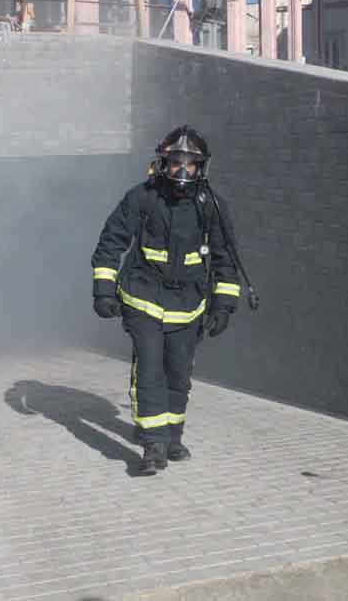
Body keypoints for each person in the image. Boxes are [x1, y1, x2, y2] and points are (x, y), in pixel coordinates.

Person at [91, 125, 241, 476]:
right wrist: (103, 289)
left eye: (191, 164)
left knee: (179, 373)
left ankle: (173, 436)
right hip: (142, 298)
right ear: (162, 163)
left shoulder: (211, 206)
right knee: (149, 369)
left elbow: (225, 258)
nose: (183, 171)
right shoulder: (141, 198)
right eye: (176, 163)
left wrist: (223, 305)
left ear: (202, 167)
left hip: (188, 305)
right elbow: (111, 243)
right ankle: (152, 444)